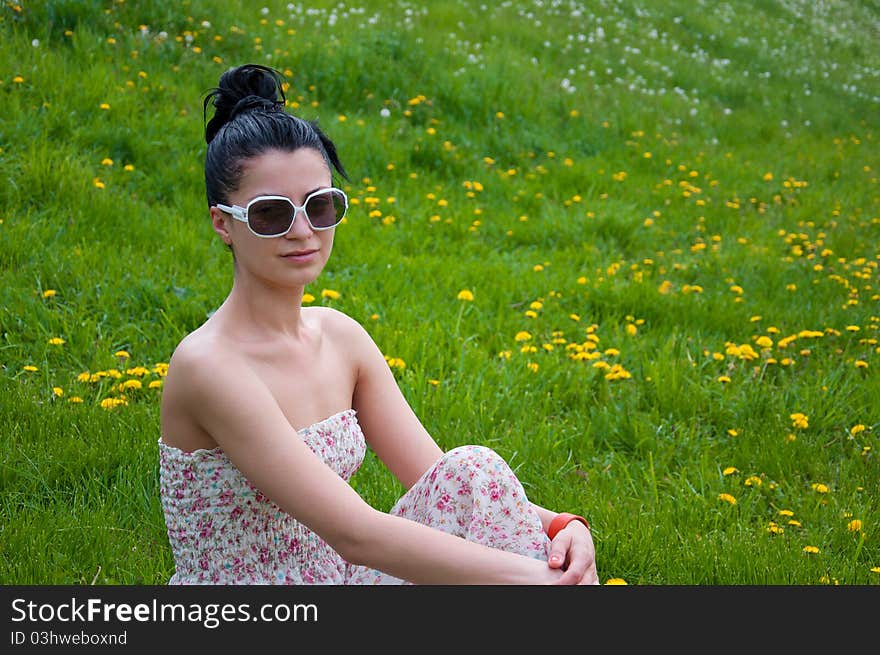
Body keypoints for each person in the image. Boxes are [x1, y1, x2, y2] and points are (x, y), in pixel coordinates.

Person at [158, 63, 598, 585]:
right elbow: (356, 534)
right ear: (223, 224)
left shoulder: (340, 338)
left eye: (319, 206)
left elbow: (440, 478)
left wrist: (560, 528)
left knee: (473, 468)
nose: (302, 231)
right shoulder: (209, 366)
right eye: (272, 214)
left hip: (340, 581)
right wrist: (538, 581)